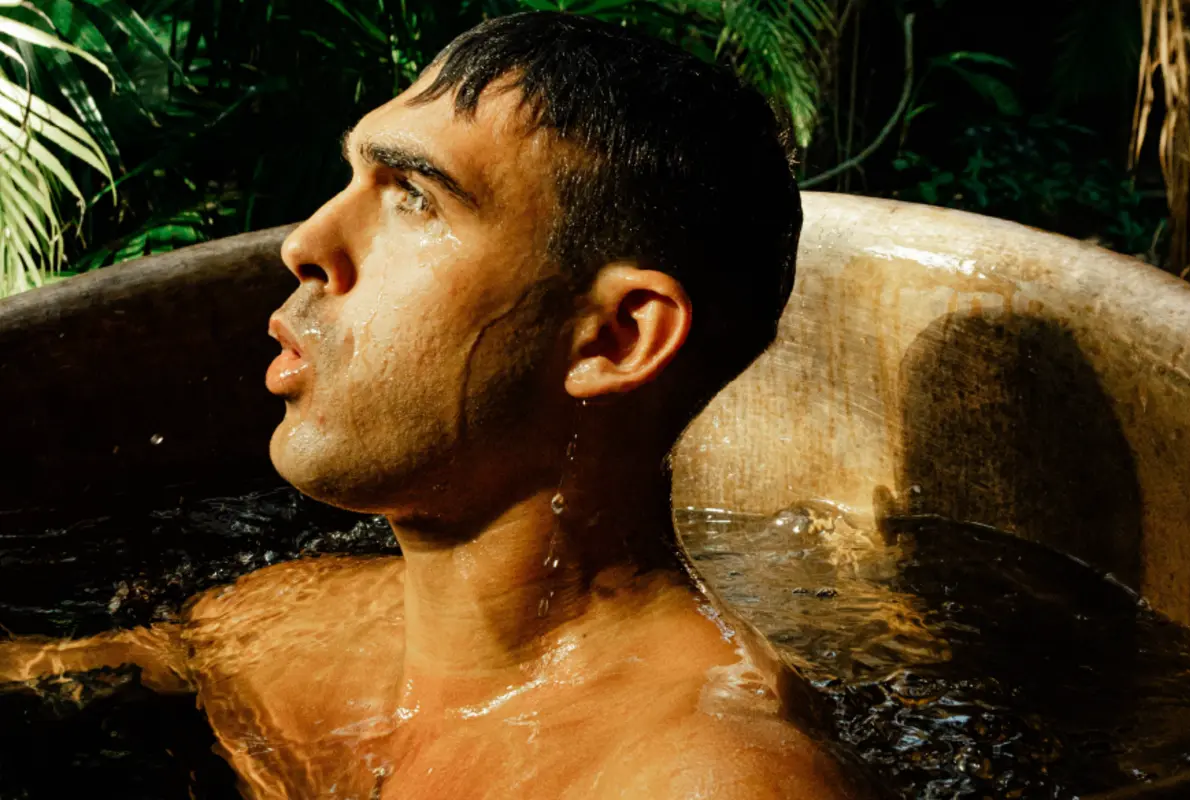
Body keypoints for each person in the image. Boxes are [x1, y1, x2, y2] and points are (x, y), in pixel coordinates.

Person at [0, 12, 872, 799]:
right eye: (354, 179)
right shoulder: (285, 624)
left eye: (416, 197)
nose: (306, 244)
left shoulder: (706, 781)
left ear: (614, 338)